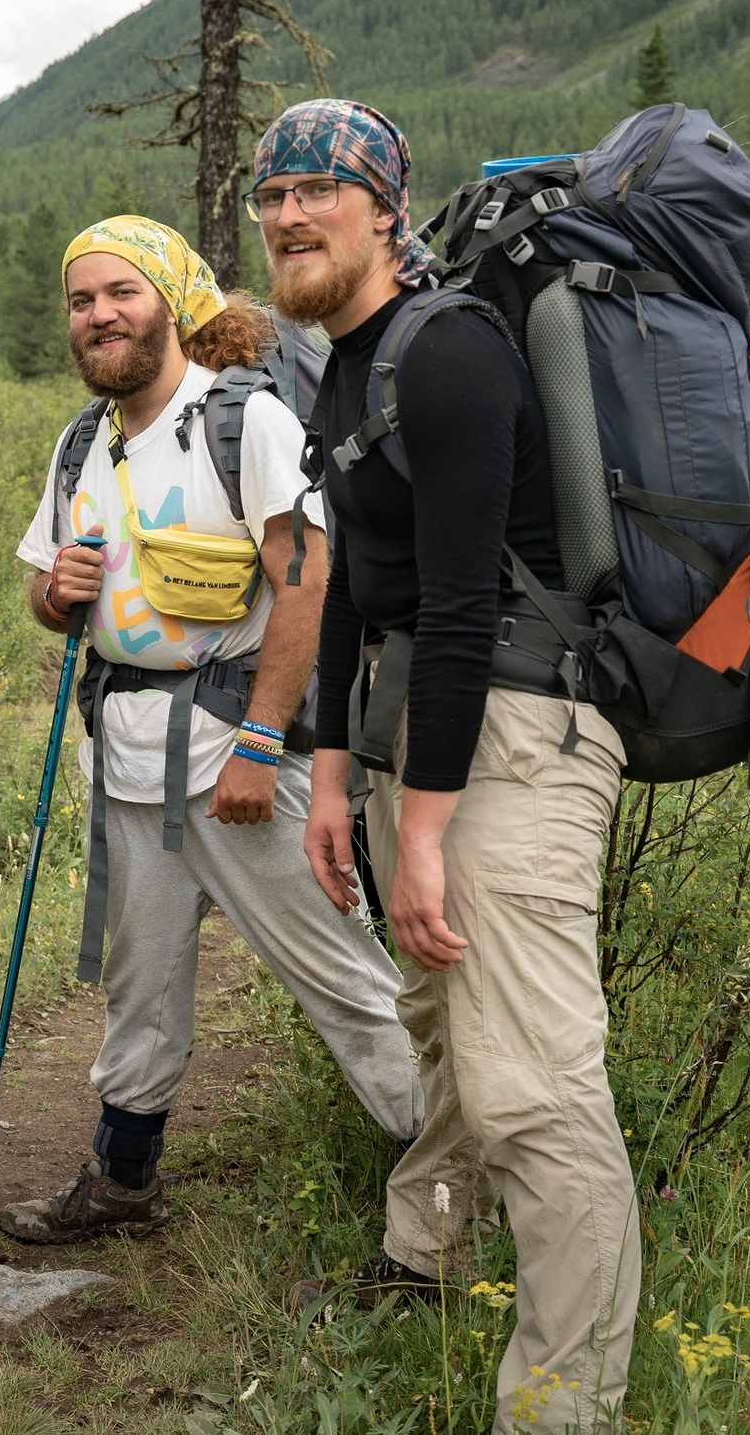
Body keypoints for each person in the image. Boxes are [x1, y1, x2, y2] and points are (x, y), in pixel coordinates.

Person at [274, 98, 639, 1429]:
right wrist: (330, 773)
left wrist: (422, 828)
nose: (287, 215)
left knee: (532, 1089)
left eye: (317, 189)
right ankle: (427, 1255)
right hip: (415, 738)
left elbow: (465, 602)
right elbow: (354, 581)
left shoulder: (450, 352)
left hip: (517, 735)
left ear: (385, 211)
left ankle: (559, 1407)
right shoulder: (345, 364)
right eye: (271, 196)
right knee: (441, 1029)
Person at [1, 216, 420, 1245]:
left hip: (240, 754)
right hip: (128, 757)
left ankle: (457, 1182)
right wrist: (58, 595)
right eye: (81, 300)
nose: (99, 315)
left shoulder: (244, 420)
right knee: (139, 978)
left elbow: (307, 581)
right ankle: (123, 1178)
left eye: (121, 293)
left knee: (342, 978)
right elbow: (46, 601)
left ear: (173, 302)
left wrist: (262, 741)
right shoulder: (79, 442)